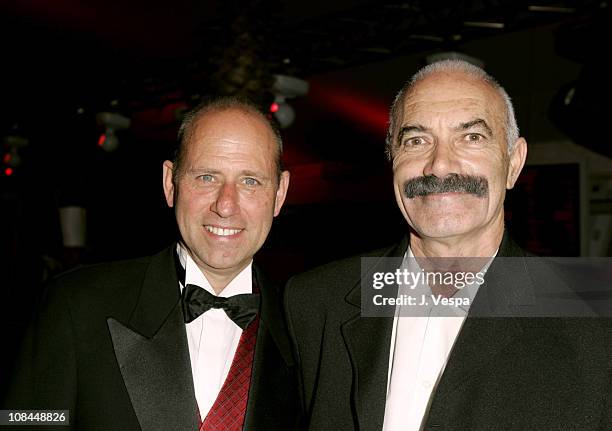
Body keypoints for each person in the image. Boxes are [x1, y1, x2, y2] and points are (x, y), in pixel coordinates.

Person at [285, 60, 612, 430]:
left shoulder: (594, 318)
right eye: (416, 140)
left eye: (471, 137)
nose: (440, 166)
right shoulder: (315, 303)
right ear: (392, 159)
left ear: (514, 164)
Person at [4, 97, 299, 430]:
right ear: (169, 183)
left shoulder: (305, 331)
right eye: (206, 177)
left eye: (250, 181)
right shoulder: (75, 303)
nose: (226, 205)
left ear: (279, 193)